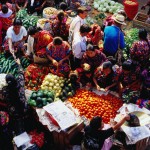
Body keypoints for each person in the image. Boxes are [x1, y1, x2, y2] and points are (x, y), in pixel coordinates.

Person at [2, 58, 28, 135]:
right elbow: (21, 73)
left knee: (17, 120)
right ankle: (26, 122)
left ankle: (18, 129)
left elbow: (3, 99)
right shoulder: (19, 83)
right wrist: (19, 64)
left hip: (13, 112)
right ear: (14, 80)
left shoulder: (5, 90)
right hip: (24, 109)